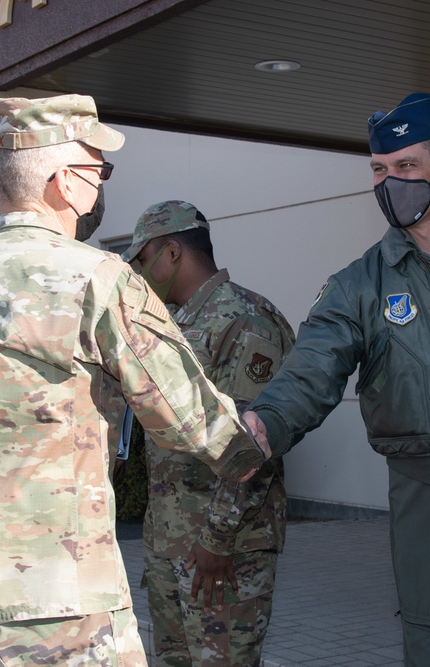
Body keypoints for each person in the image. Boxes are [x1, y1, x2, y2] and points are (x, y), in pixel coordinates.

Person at [0, 94, 269, 667]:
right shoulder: (103, 281)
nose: (99, 187)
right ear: (66, 183)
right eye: (98, 172)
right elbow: (188, 416)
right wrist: (246, 447)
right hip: (71, 604)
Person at [242, 92, 430, 666]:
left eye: (406, 167)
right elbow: (311, 369)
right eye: (379, 170)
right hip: (425, 505)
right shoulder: (361, 284)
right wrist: (265, 423)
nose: (390, 183)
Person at [120, 200, 295, 666]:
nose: (138, 273)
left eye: (142, 259)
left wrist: (217, 541)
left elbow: (254, 445)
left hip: (224, 553)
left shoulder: (243, 319)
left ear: (172, 252)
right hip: (172, 545)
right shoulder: (174, 325)